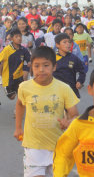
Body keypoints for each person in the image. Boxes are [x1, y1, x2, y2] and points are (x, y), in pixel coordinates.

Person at [14, 46, 79, 177]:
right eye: (36, 66)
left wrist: (69, 122)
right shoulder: (24, 87)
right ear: (31, 67)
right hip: (33, 146)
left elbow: (75, 115)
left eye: (46, 65)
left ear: (54, 66)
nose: (41, 70)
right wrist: (18, 128)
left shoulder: (64, 88)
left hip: (58, 146)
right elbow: (20, 104)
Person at [0, 29, 30, 99]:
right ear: (12, 38)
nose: (19, 38)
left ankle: (18, 108)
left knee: (22, 95)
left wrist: (28, 65)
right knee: (12, 97)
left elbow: (28, 60)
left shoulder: (24, 49)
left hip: (19, 77)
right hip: (8, 78)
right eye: (16, 37)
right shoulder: (7, 50)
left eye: (20, 36)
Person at [54, 33, 86, 98]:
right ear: (57, 45)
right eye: (64, 42)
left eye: (69, 42)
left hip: (71, 90)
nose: (68, 44)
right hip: (56, 91)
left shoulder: (74, 58)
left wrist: (80, 81)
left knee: (71, 108)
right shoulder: (52, 58)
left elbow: (82, 71)